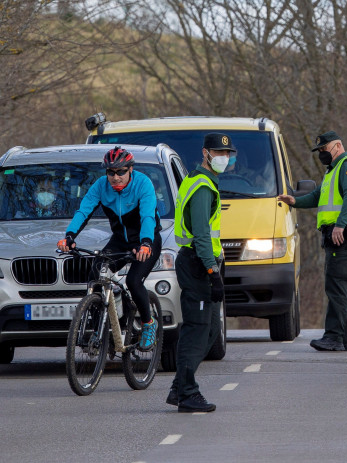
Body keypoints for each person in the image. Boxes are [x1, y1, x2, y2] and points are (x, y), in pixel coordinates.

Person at [57, 147, 162, 352]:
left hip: (145, 240)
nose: (115, 177)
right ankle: (101, 329)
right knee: (96, 275)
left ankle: (149, 324)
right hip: (120, 240)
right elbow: (84, 210)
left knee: (133, 280)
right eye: (110, 172)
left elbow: (148, 217)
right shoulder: (101, 186)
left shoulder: (143, 183)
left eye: (121, 172)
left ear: (130, 169)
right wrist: (69, 237)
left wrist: (146, 243)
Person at [277, 131, 347, 352]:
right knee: (341, 287)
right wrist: (295, 201)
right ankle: (343, 339)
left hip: (343, 234)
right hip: (340, 234)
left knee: (336, 286)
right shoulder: (332, 171)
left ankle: (334, 337)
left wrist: (340, 224)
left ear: (337, 146)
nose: (321, 154)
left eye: (324, 149)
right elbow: (317, 196)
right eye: (319, 151)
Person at [166, 133, 233, 413]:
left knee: (210, 332)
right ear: (206, 153)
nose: (224, 158)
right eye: (218, 153)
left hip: (201, 261)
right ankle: (188, 393)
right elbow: (202, 235)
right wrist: (212, 271)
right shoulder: (203, 187)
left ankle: (179, 387)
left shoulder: (198, 181)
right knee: (197, 330)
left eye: (227, 154)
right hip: (198, 263)